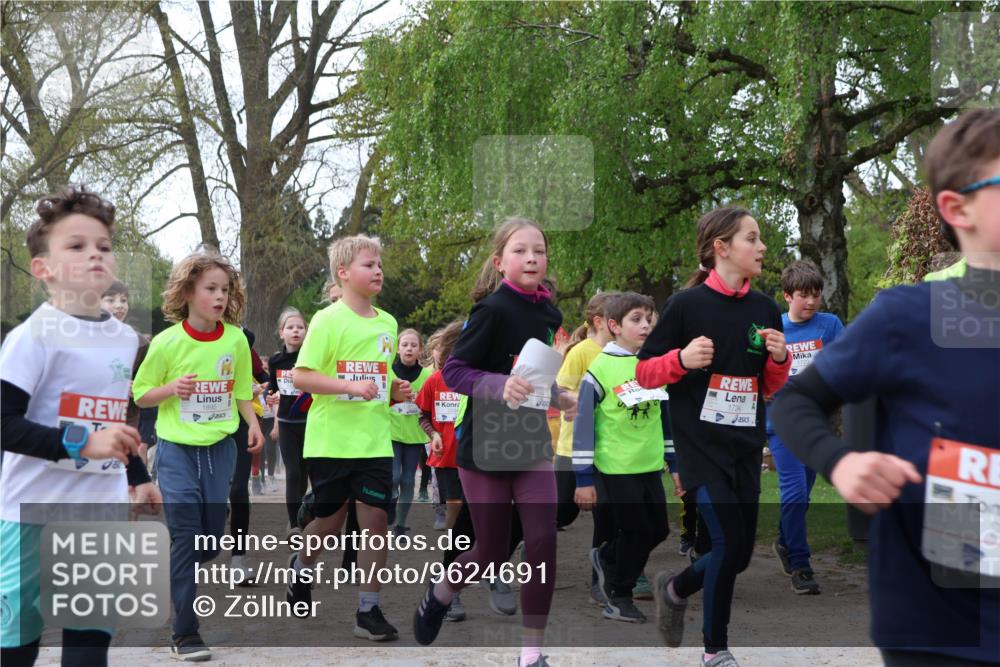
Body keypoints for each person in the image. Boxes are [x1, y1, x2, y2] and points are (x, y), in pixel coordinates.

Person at [772, 108, 1000, 667]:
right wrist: (842, 464)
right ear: (957, 208)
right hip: (939, 627)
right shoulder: (908, 317)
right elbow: (796, 402)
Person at [0, 185, 159, 667]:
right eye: (76, 246)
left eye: (104, 246)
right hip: (28, 512)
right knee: (16, 641)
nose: (94, 254)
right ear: (43, 269)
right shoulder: (31, 338)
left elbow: (110, 421)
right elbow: (5, 424)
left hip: (98, 509)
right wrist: (82, 443)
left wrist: (137, 477)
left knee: (89, 640)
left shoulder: (126, 338)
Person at [412, 217, 576, 667]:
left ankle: (531, 653)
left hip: (528, 442)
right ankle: (441, 593)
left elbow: (534, 377)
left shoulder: (550, 315)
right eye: (520, 250)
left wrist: (561, 396)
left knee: (542, 539)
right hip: (484, 445)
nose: (531, 258)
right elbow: (456, 372)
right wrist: (498, 384)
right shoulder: (492, 310)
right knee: (491, 551)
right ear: (500, 261)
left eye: (539, 251)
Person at [637, 206, 791, 667]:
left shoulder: (765, 309)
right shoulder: (686, 306)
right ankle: (715, 650)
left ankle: (675, 586)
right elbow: (644, 373)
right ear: (722, 247)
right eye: (752, 238)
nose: (762, 247)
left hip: (745, 446)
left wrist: (779, 360)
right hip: (701, 448)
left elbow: (768, 386)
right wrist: (681, 360)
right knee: (725, 545)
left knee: (739, 554)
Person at [132, 250, 264, 661]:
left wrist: (254, 423)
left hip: (220, 449)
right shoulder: (168, 342)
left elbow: (242, 388)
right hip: (176, 449)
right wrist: (171, 389)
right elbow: (140, 392)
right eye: (211, 288)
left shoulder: (236, 339)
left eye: (225, 289)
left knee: (207, 540)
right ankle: (185, 632)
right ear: (188, 291)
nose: (220, 296)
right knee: (186, 537)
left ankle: (187, 548)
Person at [285, 235, 413, 641]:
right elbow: (301, 376)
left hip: (375, 441)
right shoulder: (327, 320)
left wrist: (393, 388)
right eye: (368, 264)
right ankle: (301, 569)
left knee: (375, 520)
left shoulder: (388, 322)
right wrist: (350, 386)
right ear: (343, 273)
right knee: (331, 519)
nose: (378, 271)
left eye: (379, 264)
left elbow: (380, 372)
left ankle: (368, 610)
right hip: (330, 442)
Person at [573, 292, 670, 624]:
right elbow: (583, 425)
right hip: (615, 468)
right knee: (637, 531)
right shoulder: (599, 369)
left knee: (658, 530)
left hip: (650, 466)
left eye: (648, 318)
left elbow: (663, 415)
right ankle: (620, 595)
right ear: (614, 326)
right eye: (636, 319)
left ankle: (605, 556)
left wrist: (676, 464)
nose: (645, 325)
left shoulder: (653, 363)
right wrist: (583, 477)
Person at [763, 259, 844, 595]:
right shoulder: (773, 329)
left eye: (816, 295)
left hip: (816, 423)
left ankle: (784, 541)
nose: (811, 302)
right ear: (787, 296)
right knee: (794, 491)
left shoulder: (830, 325)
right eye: (803, 295)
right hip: (780, 422)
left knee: (804, 494)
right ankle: (800, 565)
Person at [553, 291, 617, 604]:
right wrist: (577, 402)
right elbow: (562, 388)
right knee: (562, 513)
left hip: (608, 449)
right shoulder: (581, 352)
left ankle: (599, 581)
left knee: (606, 516)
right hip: (571, 446)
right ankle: (527, 543)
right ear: (600, 321)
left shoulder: (624, 353)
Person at [415, 320, 472, 621]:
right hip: (448, 461)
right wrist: (433, 434)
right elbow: (423, 414)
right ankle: (451, 589)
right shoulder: (435, 380)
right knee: (456, 521)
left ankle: (489, 572)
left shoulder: (483, 379)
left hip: (482, 461)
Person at [267, 307, 309, 536]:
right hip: (286, 422)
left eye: (300, 327)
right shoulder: (276, 360)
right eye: (290, 327)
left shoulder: (310, 357)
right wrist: (270, 396)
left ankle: (303, 516)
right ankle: (293, 524)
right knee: (293, 473)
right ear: (281, 332)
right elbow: (271, 388)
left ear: (306, 332)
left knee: (305, 474)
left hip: (310, 421)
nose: (296, 331)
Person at [388, 328, 432, 535]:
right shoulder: (389, 372)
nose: (409, 349)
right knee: (394, 477)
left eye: (413, 345)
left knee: (407, 480)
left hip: (414, 435)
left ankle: (400, 525)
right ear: (397, 349)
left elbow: (431, 404)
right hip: (392, 432)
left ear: (420, 350)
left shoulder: (426, 376)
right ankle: (389, 506)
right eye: (405, 345)